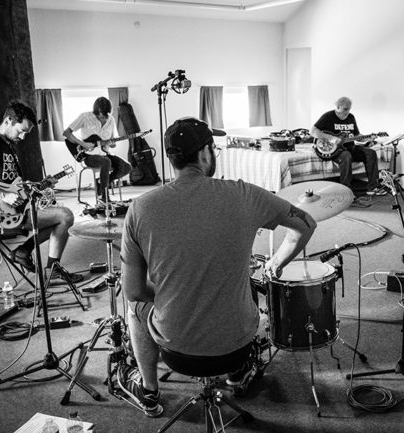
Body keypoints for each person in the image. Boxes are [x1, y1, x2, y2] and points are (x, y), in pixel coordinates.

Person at [118, 117, 317, 417]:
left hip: (176, 352)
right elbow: (306, 224)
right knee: (246, 285)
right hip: (236, 347)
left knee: (134, 308)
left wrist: (172, 295)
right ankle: (238, 372)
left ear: (171, 158)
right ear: (204, 153)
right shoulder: (245, 194)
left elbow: (133, 291)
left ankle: (149, 391)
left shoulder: (140, 208)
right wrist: (275, 263)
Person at [0, 100, 83, 282]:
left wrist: (39, 185)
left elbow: (14, 184)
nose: (23, 137)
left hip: (19, 207)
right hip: (5, 212)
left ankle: (25, 252)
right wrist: (3, 195)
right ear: (8, 121)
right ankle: (44, 265)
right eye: (21, 131)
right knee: (65, 216)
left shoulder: (8, 145)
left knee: (60, 221)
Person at [311, 96, 385, 197]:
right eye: (345, 109)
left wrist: (368, 138)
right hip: (335, 151)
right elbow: (313, 131)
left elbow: (357, 136)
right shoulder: (328, 116)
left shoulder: (351, 117)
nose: (347, 112)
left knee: (370, 152)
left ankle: (373, 187)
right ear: (338, 107)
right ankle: (346, 191)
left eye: (349, 109)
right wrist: (332, 138)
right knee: (346, 155)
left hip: (350, 148)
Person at [63, 97, 132, 206]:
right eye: (99, 114)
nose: (101, 116)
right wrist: (83, 144)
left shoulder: (111, 120)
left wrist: (112, 143)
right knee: (106, 162)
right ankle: (103, 196)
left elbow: (112, 141)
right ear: (95, 110)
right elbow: (66, 133)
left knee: (127, 167)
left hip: (105, 153)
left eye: (104, 114)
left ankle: (101, 182)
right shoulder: (85, 116)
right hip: (88, 156)